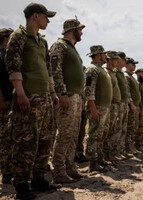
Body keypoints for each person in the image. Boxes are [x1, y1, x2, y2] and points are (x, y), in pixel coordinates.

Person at [5, 3, 59, 199]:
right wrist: (20, 93)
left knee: (45, 140)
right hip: (28, 97)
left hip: (44, 97)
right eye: (46, 17)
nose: (48, 20)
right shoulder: (18, 37)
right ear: (35, 16)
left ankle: (38, 179)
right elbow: (13, 65)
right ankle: (21, 187)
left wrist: (52, 92)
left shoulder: (42, 42)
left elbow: (48, 69)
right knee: (25, 142)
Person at [50, 18, 86, 183]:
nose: (82, 32)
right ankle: (58, 170)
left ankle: (70, 166)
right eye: (80, 29)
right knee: (64, 133)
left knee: (73, 134)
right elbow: (55, 70)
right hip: (67, 95)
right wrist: (62, 93)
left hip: (76, 96)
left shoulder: (73, 49)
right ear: (73, 29)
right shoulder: (60, 45)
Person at [84, 45, 112, 172]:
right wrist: (93, 108)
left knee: (101, 135)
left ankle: (100, 160)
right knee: (94, 135)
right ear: (98, 55)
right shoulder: (92, 69)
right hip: (97, 107)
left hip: (104, 108)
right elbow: (89, 90)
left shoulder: (101, 69)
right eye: (103, 54)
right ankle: (92, 163)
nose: (105, 56)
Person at [0, 27, 14, 185]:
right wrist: (1, 102)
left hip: (11, 102)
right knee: (5, 140)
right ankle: (6, 173)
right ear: (5, 39)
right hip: (4, 103)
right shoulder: (0, 55)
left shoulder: (7, 55)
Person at [103, 51, 121, 162]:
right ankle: (105, 156)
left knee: (113, 130)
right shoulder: (106, 72)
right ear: (109, 59)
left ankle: (109, 155)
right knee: (107, 131)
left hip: (115, 105)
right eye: (115, 59)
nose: (117, 61)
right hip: (109, 105)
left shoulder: (112, 72)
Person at [114, 52, 131, 158]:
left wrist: (129, 104)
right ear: (119, 60)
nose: (126, 62)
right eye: (124, 60)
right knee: (117, 128)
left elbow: (127, 91)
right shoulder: (115, 72)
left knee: (123, 128)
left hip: (124, 104)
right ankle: (114, 152)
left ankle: (120, 150)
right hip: (118, 104)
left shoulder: (122, 74)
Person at [125, 58, 141, 154]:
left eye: (135, 64)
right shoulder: (126, 76)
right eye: (132, 64)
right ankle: (128, 148)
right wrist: (131, 104)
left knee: (133, 128)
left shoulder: (132, 77)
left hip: (135, 106)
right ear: (127, 65)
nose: (134, 66)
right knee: (130, 128)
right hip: (131, 106)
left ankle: (131, 146)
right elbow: (127, 92)